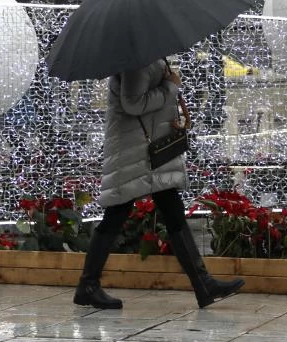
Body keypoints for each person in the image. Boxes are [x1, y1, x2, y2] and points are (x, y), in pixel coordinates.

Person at [73, 58, 245, 309]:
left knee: (172, 213)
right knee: (116, 213)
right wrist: (170, 88)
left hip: (149, 154)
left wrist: (170, 108)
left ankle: (202, 283)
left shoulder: (150, 56)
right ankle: (88, 285)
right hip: (134, 154)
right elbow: (133, 103)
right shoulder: (135, 61)